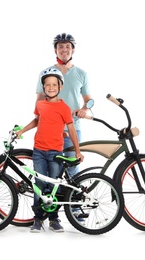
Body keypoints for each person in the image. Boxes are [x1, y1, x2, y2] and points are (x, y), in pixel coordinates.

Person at [15, 68, 84, 233]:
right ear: (43, 87)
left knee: (54, 185)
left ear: (60, 86)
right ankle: (38, 219)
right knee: (38, 184)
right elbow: (37, 121)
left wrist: (77, 151)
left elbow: (72, 130)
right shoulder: (41, 104)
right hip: (39, 150)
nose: (50, 87)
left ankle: (54, 219)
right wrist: (22, 131)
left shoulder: (64, 108)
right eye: (47, 85)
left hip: (55, 153)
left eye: (54, 84)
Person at [36, 32, 92, 177]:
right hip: (50, 129)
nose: (64, 50)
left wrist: (83, 109)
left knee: (72, 167)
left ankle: (71, 198)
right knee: (50, 169)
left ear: (73, 50)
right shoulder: (46, 73)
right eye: (61, 47)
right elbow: (39, 103)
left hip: (72, 126)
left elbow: (88, 101)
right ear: (56, 50)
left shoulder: (81, 74)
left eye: (68, 46)